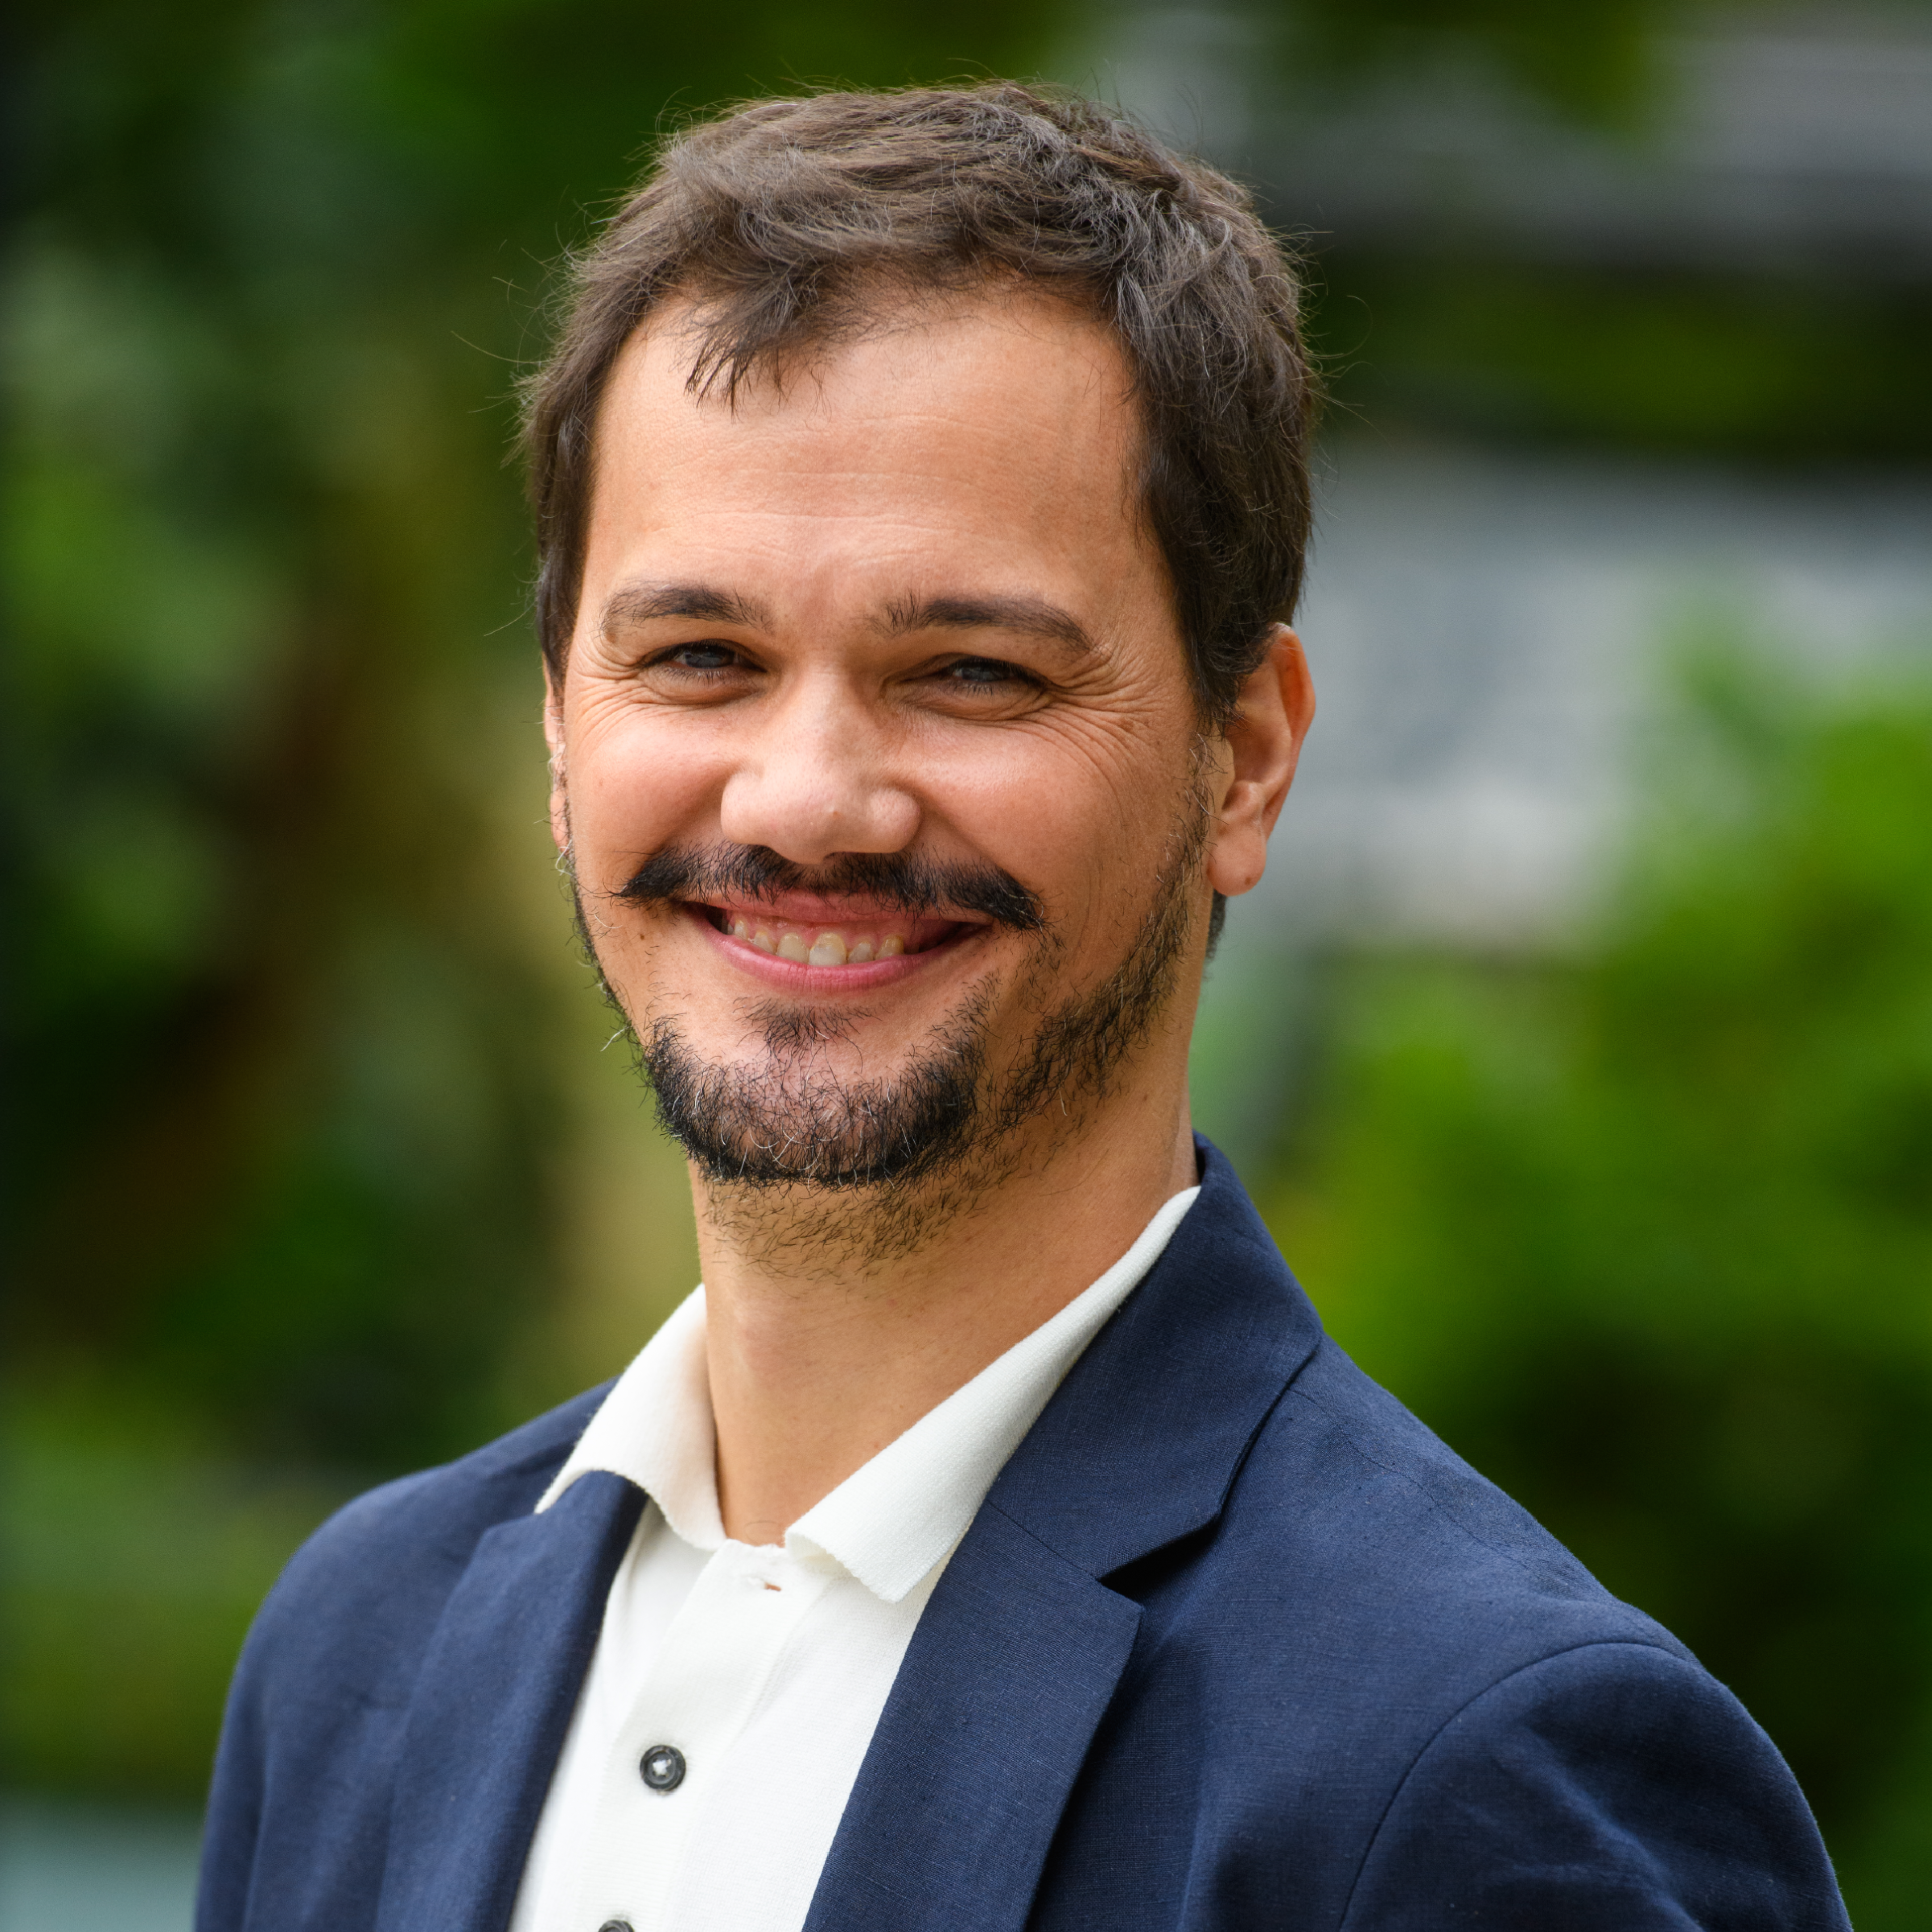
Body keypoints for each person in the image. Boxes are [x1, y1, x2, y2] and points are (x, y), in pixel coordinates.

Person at [196, 83, 1849, 1932]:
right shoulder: (357, 1652)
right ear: (564, 736)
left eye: (969, 671)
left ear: (1243, 760)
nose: (808, 800)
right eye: (700, 659)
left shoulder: (1481, 1772)